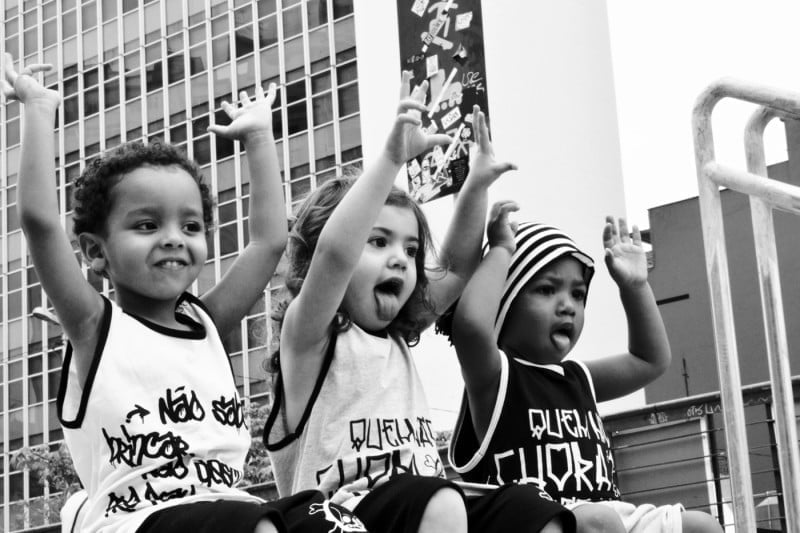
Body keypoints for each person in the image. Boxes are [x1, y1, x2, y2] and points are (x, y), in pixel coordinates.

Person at [3, 53, 367, 533]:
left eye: (190, 225)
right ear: (95, 251)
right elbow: (41, 224)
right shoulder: (95, 326)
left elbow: (267, 241)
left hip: (226, 504)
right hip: (139, 520)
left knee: (334, 522)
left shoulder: (205, 323)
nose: (173, 237)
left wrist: (259, 136)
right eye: (148, 224)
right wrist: (37, 108)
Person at [263, 71, 576, 533]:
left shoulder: (396, 338)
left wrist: (477, 185)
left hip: (426, 505)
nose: (400, 260)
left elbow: (452, 269)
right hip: (338, 516)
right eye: (378, 242)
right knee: (440, 502)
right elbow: (334, 254)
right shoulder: (308, 337)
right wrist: (391, 158)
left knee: (536, 512)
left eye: (410, 250)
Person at [438, 202, 724, 533]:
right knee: (597, 521)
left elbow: (651, 360)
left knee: (700, 526)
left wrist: (634, 287)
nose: (568, 306)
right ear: (503, 302)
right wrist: (501, 249)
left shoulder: (580, 378)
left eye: (578, 294)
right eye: (546, 290)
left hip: (606, 513)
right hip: (531, 519)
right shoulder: (495, 376)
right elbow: (471, 326)